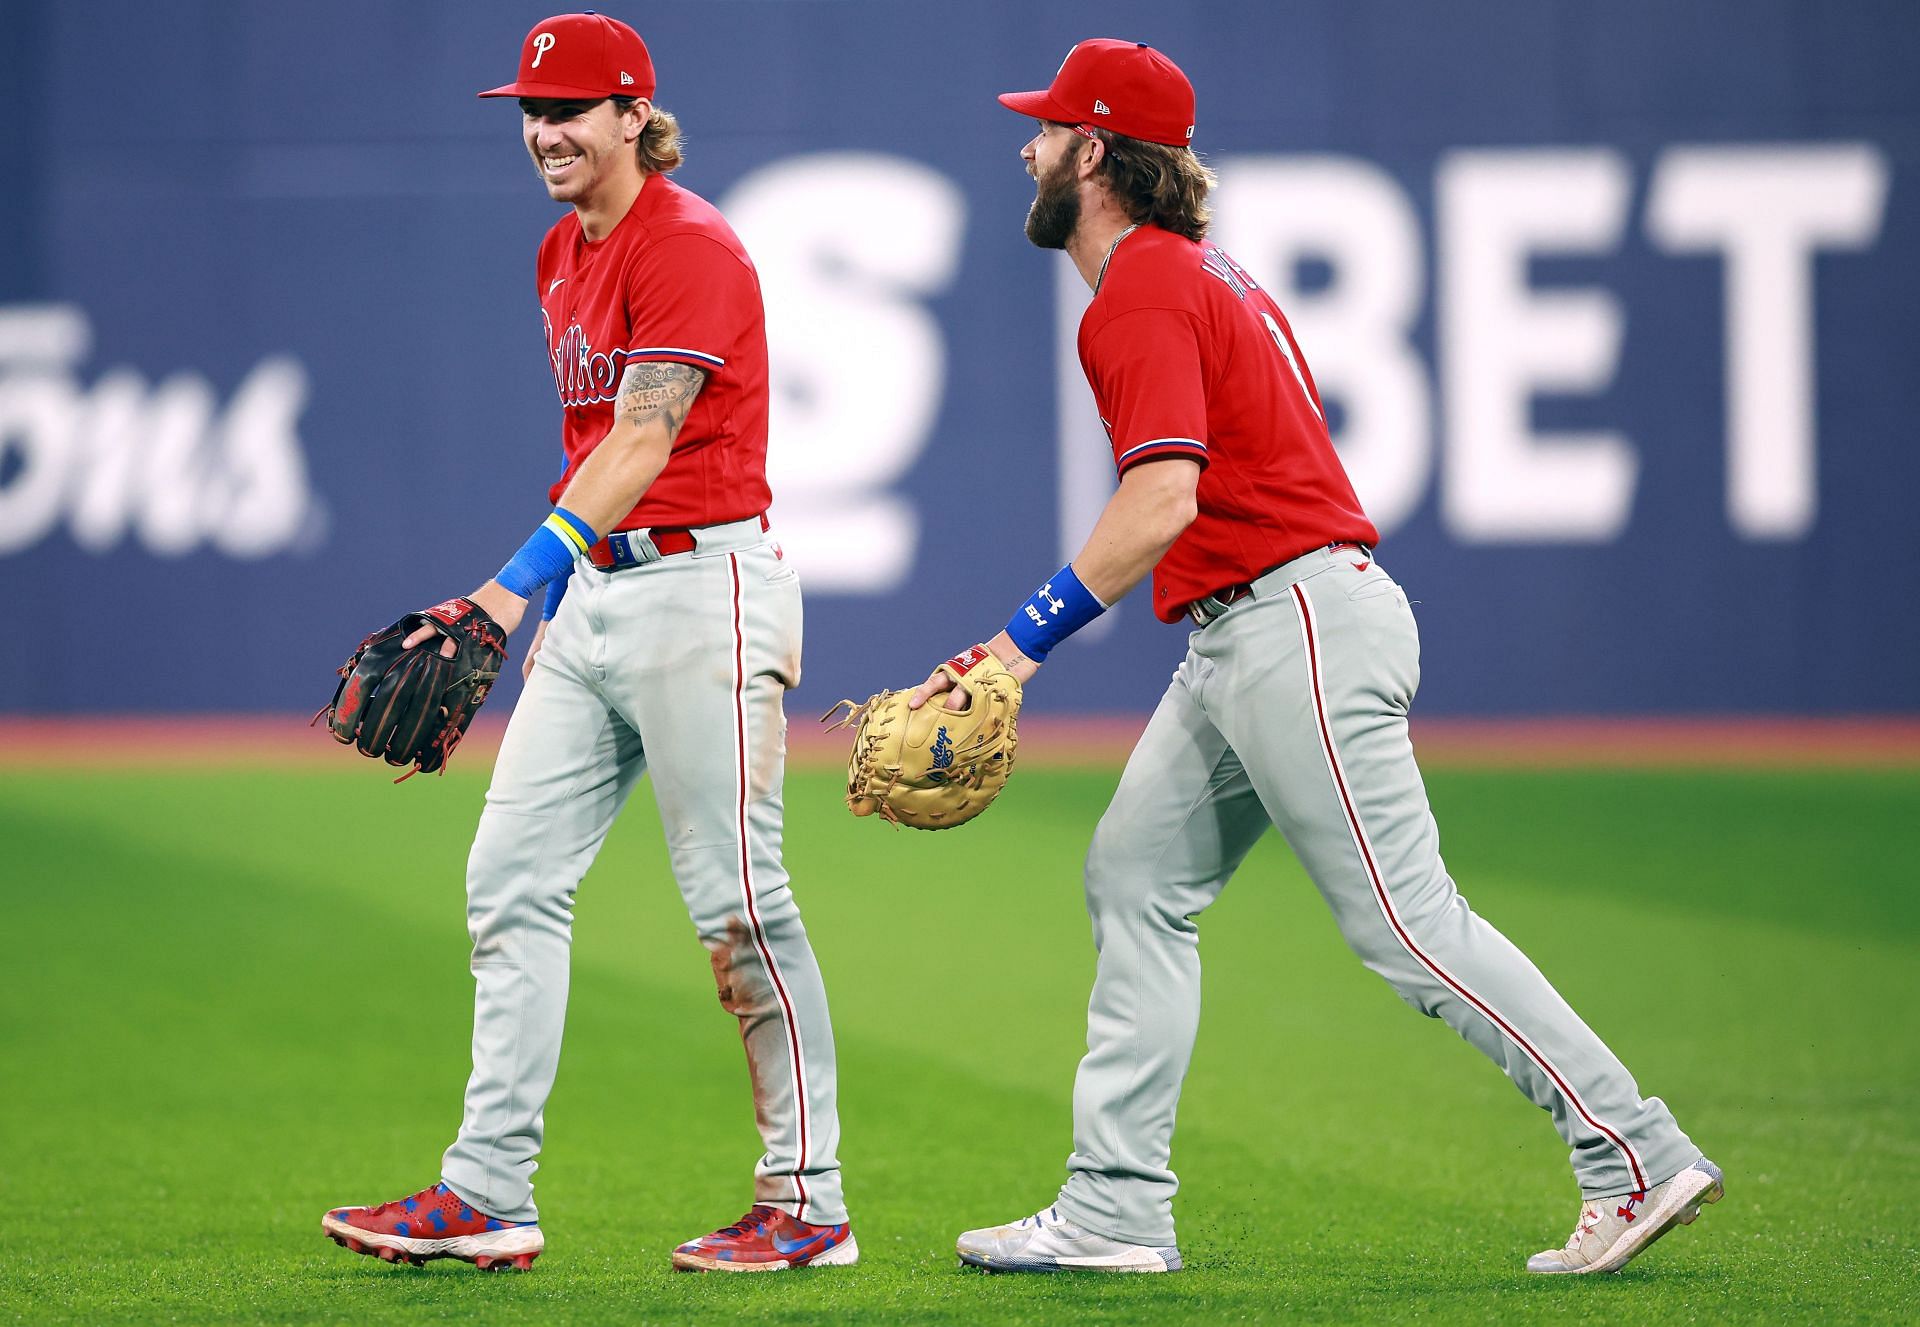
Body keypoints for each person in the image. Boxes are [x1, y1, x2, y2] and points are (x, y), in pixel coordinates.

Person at [926, 38, 1721, 1277]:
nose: (1022, 146)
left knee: (1406, 924)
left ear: (1092, 151)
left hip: (1292, 620)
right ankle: (1116, 1205)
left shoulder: (1142, 287)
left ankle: (1631, 1148)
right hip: (1256, 627)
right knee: (1134, 877)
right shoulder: (1195, 273)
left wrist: (1015, 647)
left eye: (1043, 129)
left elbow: (1161, 501)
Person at [320, 12, 855, 1274]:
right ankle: (487, 1191)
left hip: (701, 591)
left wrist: (507, 592)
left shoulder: (693, 247)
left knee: (738, 905)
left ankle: (808, 1199)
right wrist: (552, 589)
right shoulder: (562, 247)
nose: (545, 131)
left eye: (570, 108)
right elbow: (596, 453)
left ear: (634, 116)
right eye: (530, 111)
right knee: (508, 881)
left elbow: (643, 442)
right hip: (596, 598)